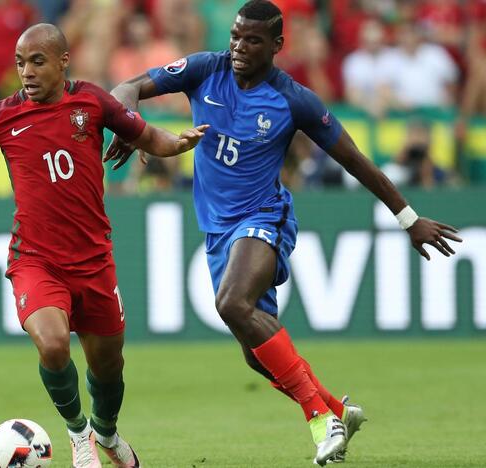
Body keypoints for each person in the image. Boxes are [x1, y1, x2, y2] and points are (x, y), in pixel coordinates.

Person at [107, 1, 462, 465]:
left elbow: (355, 161)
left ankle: (320, 419)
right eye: (235, 36)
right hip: (217, 229)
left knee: (232, 303)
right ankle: (337, 409)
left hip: (264, 215)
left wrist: (409, 219)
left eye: (251, 40)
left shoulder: (294, 100)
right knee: (258, 355)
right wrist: (130, 126)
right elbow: (126, 86)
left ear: (276, 45)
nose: (238, 47)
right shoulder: (202, 70)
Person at [0, 23, 206, 468]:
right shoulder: (1, 116)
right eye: (19, 63)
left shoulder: (91, 101)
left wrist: (178, 144)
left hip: (94, 261)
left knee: (109, 367)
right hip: (36, 260)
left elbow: (148, 137)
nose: (26, 72)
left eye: (37, 61)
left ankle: (106, 433)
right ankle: (79, 434)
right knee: (52, 346)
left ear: (62, 62)